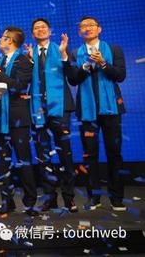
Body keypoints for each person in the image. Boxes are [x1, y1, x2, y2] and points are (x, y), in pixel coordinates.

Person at [63, 16, 126, 211]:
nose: (87, 28)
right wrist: (88, 64)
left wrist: (103, 63)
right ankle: (94, 197)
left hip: (112, 110)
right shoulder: (76, 53)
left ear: (99, 29)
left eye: (91, 25)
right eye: (83, 26)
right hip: (87, 111)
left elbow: (120, 76)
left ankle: (117, 198)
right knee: (90, 154)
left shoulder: (113, 49)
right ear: (79, 32)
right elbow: (73, 79)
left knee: (114, 153)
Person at [26, 19, 77, 213]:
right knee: (43, 155)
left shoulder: (61, 49)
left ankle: (69, 198)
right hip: (38, 109)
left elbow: (72, 76)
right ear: (33, 34)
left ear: (49, 31)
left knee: (65, 153)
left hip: (60, 108)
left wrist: (64, 55)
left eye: (43, 27)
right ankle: (49, 198)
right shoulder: (30, 54)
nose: (40, 30)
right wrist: (29, 62)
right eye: (36, 28)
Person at [0, 27, 38, 216]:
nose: (0, 40)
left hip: (17, 118)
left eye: (3, 37)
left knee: (24, 160)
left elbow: (18, 87)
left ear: (11, 41)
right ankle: (7, 202)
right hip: (1, 118)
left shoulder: (23, 60)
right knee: (3, 162)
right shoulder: (0, 61)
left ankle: (30, 203)